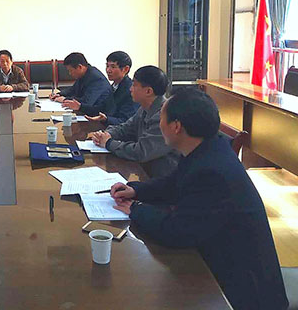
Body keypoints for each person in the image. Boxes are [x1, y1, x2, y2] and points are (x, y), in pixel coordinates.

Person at [109, 88, 288, 310]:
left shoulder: (212, 171)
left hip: (242, 291)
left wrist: (136, 209)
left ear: (176, 126)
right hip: (219, 260)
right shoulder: (208, 148)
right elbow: (174, 184)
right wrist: (135, 191)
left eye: (162, 117)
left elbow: (177, 231)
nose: (159, 123)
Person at [90, 66, 179, 177]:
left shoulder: (164, 116)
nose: (130, 89)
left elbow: (141, 151)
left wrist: (108, 143)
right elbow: (125, 128)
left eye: (134, 85)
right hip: (146, 171)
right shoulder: (145, 108)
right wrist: (107, 134)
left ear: (148, 91)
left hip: (163, 177)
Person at [49, 52, 114, 116]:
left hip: (99, 115)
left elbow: (87, 101)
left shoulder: (96, 79)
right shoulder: (84, 74)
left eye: (70, 70)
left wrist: (65, 99)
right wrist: (59, 94)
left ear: (80, 67)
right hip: (87, 112)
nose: (70, 73)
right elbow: (73, 90)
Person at [84, 51, 139, 124]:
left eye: (113, 67)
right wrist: (80, 107)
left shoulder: (131, 91)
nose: (108, 70)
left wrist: (106, 119)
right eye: (107, 66)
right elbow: (101, 108)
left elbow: (126, 121)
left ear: (126, 69)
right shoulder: (113, 86)